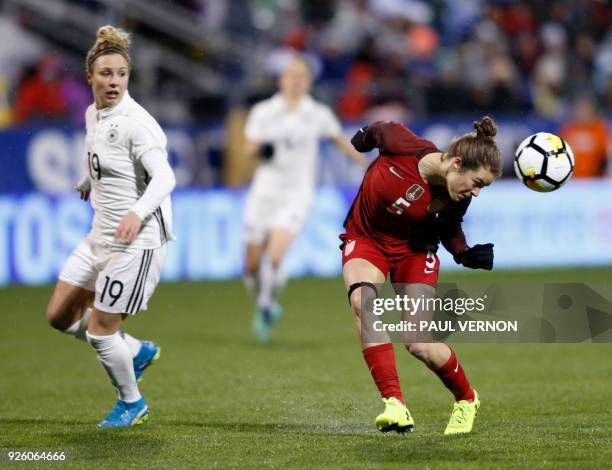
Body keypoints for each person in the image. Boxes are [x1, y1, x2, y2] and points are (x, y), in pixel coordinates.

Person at [45, 25, 176, 427]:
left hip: (137, 241)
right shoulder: (93, 114)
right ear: (90, 77)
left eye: (120, 73)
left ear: (128, 77)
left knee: (101, 331)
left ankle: (132, 403)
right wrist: (89, 180)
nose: (114, 81)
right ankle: (133, 351)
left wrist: (136, 213)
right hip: (101, 233)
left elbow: (164, 178)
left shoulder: (137, 123)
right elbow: (100, 154)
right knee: (60, 317)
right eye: (106, 73)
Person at [341, 117, 501, 434]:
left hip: (415, 251)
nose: (477, 192)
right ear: (456, 163)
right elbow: (380, 129)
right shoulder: (402, 143)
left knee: (418, 343)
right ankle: (395, 405)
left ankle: (467, 399)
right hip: (366, 238)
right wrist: (363, 137)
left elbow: (449, 228)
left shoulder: (459, 195)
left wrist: (463, 252)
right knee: (363, 303)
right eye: (478, 182)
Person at [243, 55, 368, 343]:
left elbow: (340, 141)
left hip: (297, 194)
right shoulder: (264, 111)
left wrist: (368, 164)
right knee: (251, 265)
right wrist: (261, 152)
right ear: (281, 79)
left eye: (301, 75)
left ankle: (264, 308)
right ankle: (267, 303)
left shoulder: (318, 113)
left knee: (274, 256)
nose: (295, 80)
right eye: (291, 74)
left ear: (308, 81)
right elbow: (249, 148)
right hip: (264, 192)